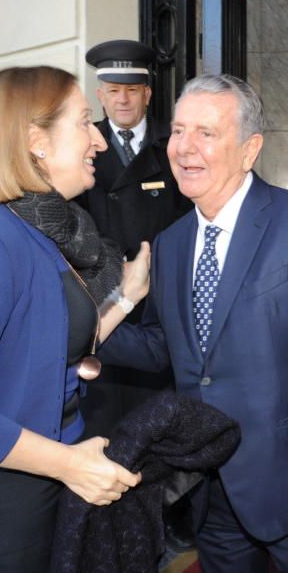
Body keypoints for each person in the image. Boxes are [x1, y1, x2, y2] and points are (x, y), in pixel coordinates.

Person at [100, 74, 288, 572]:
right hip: (208, 489)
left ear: (250, 150)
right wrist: (89, 331)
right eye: (179, 131)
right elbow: (165, 346)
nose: (184, 148)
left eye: (206, 133)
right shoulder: (172, 242)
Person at [0, 66, 149, 572]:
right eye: (84, 122)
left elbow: (52, 349)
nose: (99, 141)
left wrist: (125, 298)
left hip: (42, 470)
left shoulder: (41, 229)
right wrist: (72, 466)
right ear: (36, 141)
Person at [76, 39, 191, 437]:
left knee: (157, 423)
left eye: (131, 90)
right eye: (113, 91)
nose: (122, 100)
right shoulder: (82, 146)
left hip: (162, 301)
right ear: (100, 95)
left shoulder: (175, 142)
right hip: (104, 302)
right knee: (106, 426)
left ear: (147, 93)